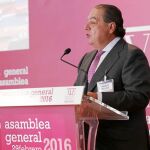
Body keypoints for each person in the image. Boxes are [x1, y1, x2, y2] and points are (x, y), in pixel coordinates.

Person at [74, 4, 150, 150]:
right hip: (92, 141)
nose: (86, 27)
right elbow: (77, 93)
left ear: (111, 27)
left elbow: (139, 96)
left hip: (121, 143)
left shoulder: (131, 54)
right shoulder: (87, 58)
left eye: (93, 21)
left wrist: (99, 98)